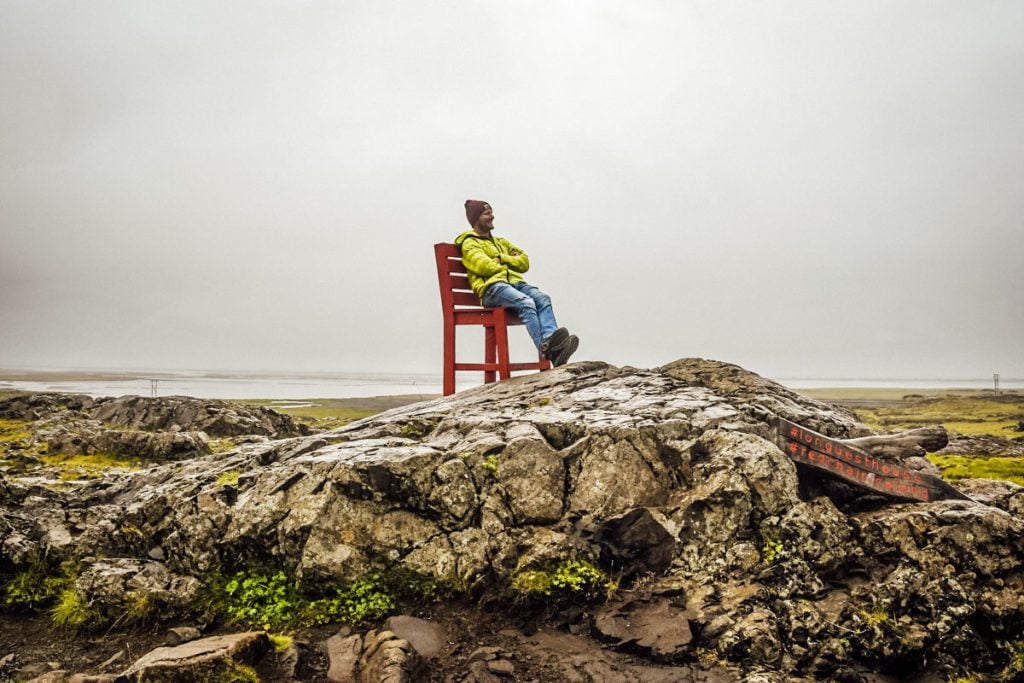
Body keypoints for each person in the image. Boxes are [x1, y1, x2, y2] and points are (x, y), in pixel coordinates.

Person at [455, 199, 579, 367]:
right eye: (487, 213)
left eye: (491, 212)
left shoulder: (501, 243)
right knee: (526, 303)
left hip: (514, 285)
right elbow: (485, 267)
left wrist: (501, 258)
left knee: (543, 299)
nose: (492, 216)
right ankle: (547, 349)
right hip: (493, 289)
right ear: (476, 219)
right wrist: (509, 260)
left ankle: (552, 344)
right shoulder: (470, 243)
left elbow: (525, 262)